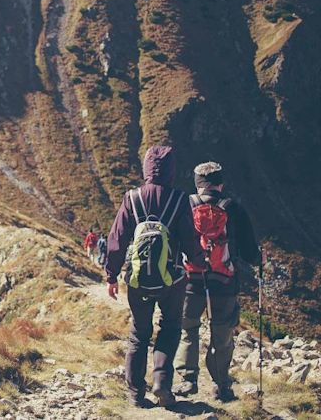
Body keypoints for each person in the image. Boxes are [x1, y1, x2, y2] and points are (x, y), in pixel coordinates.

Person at [105, 145, 204, 408]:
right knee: (170, 328)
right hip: (172, 280)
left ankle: (136, 394)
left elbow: (116, 240)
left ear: (146, 168)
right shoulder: (180, 199)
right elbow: (189, 240)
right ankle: (161, 382)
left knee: (139, 333)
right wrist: (198, 262)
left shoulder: (132, 198)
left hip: (137, 281)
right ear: (172, 171)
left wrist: (111, 275)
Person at [174, 162, 260, 402]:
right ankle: (221, 386)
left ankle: (187, 379)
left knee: (188, 329)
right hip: (223, 282)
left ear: (197, 183)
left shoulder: (185, 206)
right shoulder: (234, 209)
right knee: (221, 334)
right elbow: (249, 253)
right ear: (220, 183)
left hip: (190, 280)